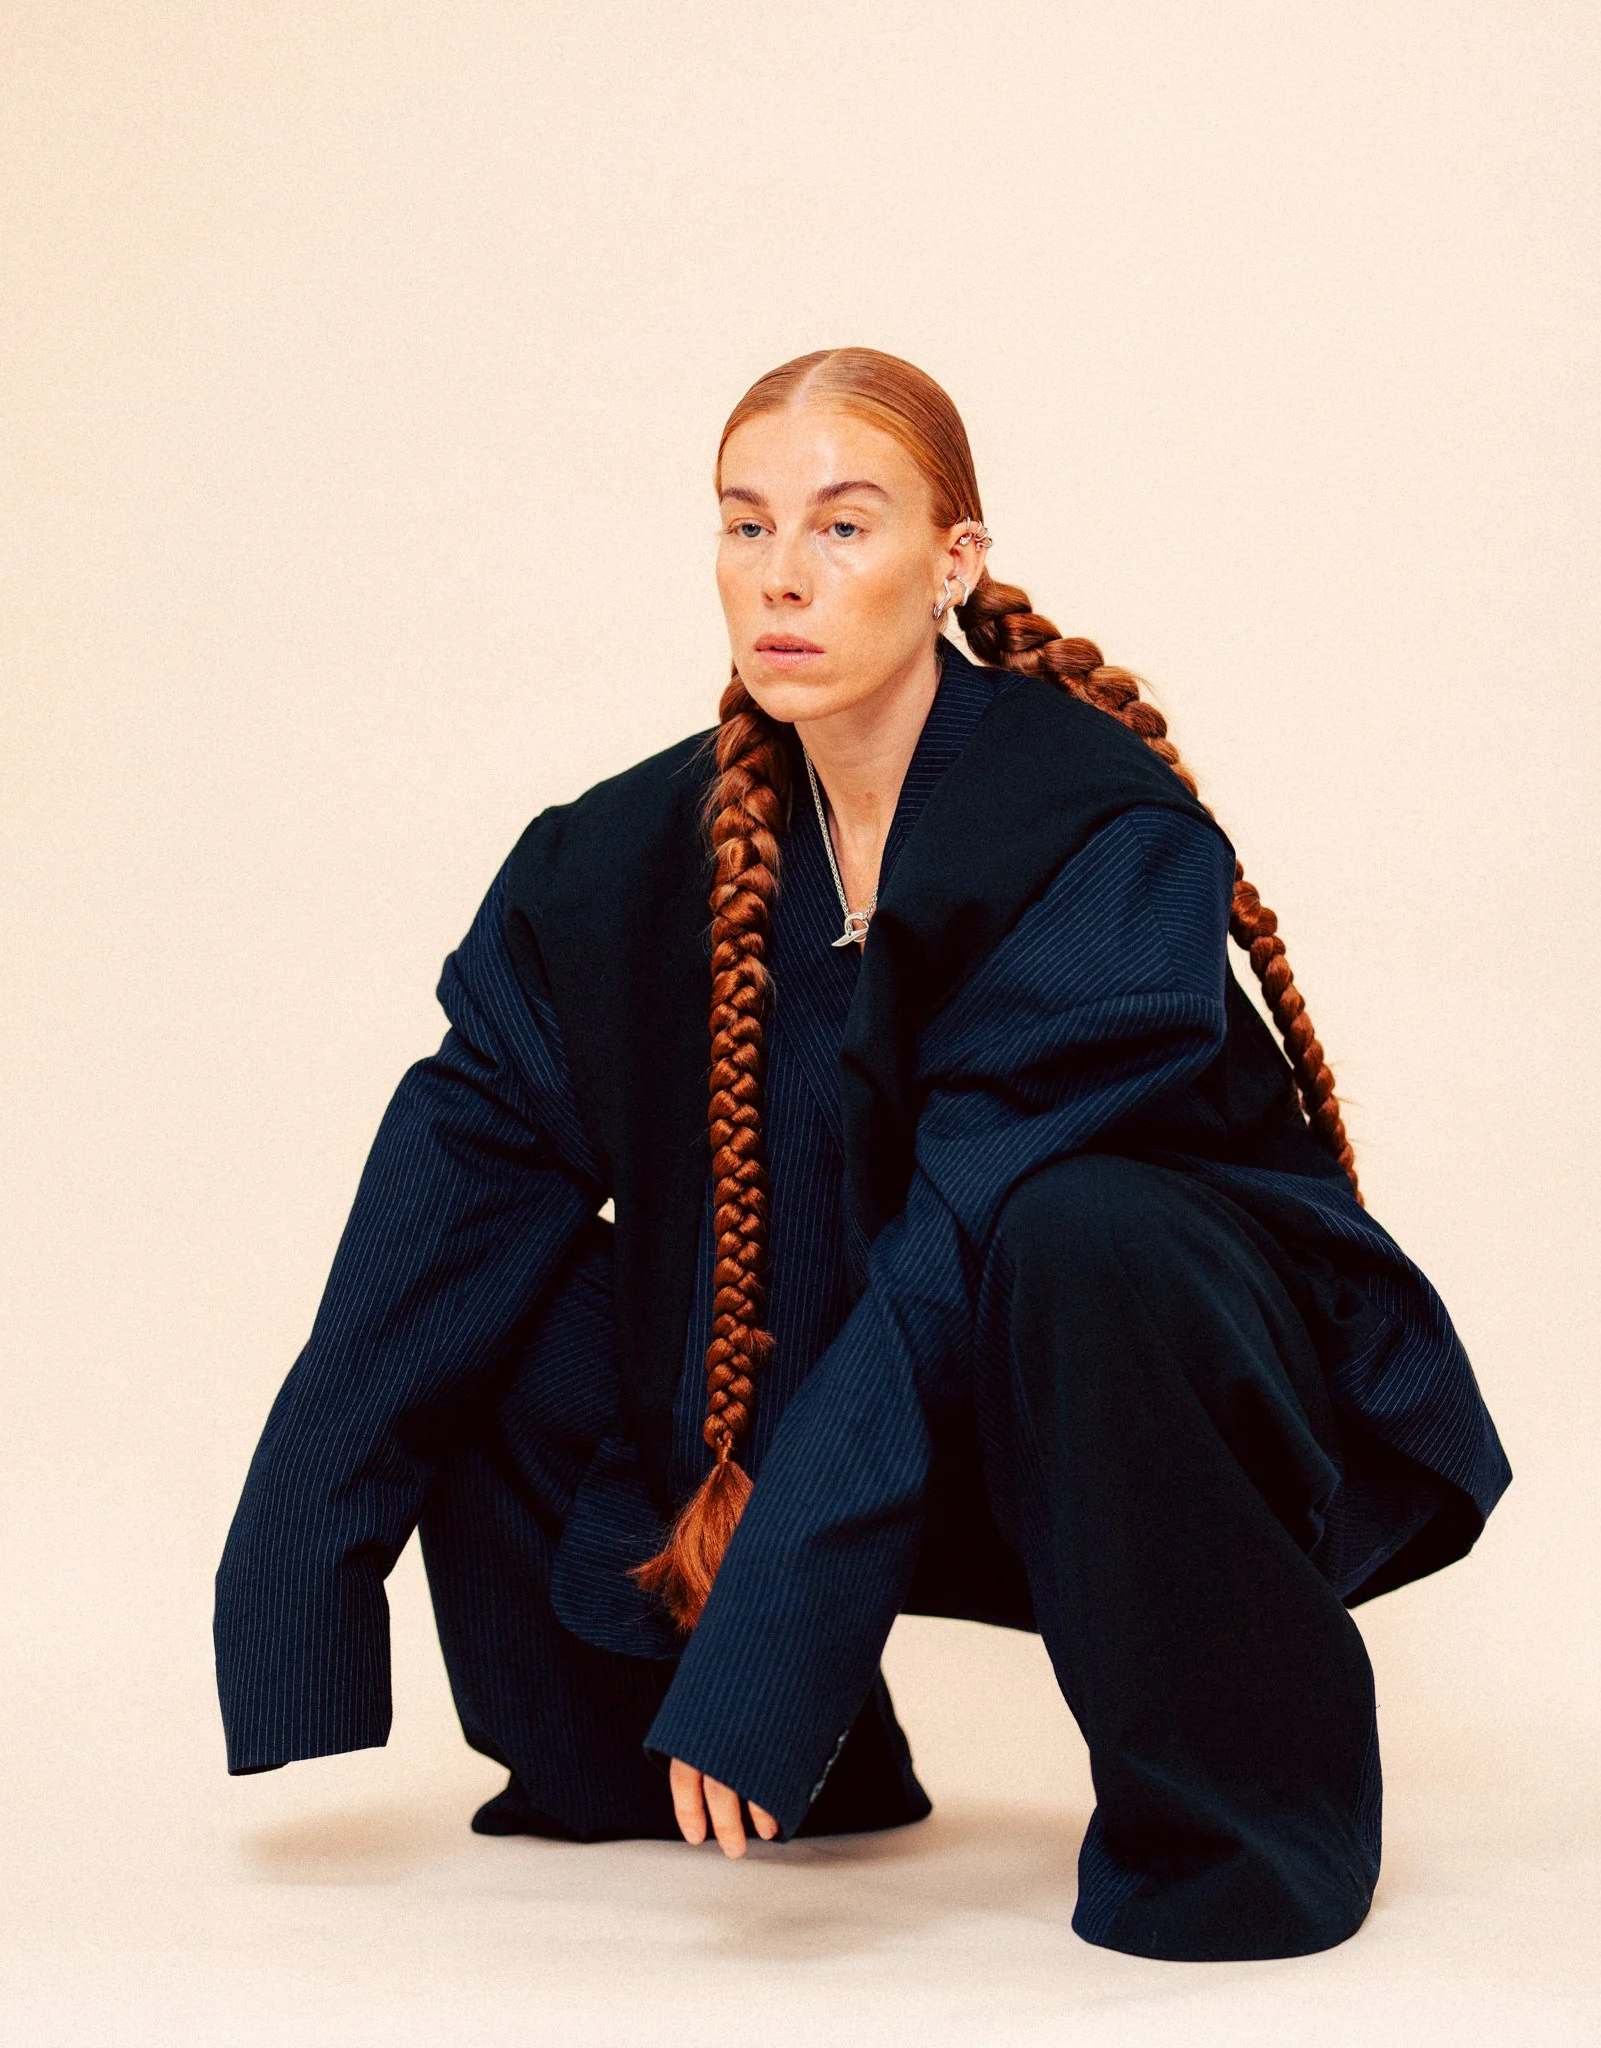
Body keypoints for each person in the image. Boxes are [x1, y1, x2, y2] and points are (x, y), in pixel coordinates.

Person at [213, 346, 1511, 1962]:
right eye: (745, 525)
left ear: (952, 560)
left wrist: (780, 1642)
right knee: (501, 1284)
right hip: (833, 1418)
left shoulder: (1094, 834)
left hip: (1129, 1423)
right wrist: (296, 1590)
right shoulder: (613, 864)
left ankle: (1237, 1830)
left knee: (1082, 1233)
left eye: (843, 526)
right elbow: (439, 1213)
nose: (784, 576)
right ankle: (731, 1773)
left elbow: (946, 1264)